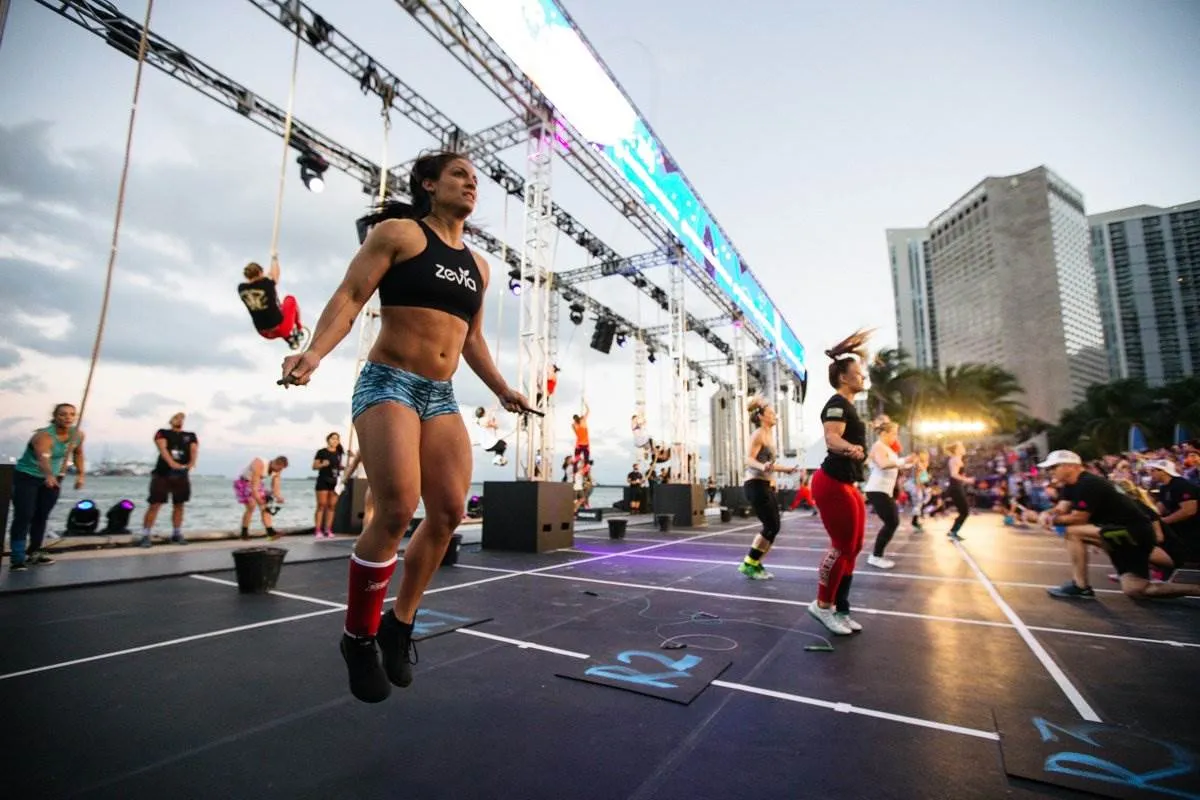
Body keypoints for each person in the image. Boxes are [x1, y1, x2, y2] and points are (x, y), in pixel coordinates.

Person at [278, 150, 532, 704]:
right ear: (428, 184)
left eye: (475, 179)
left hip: (440, 394)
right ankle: (358, 638)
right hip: (388, 381)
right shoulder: (399, 234)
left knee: (448, 513)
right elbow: (350, 297)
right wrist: (315, 352)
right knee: (396, 507)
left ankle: (401, 624)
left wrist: (502, 389)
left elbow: (471, 340)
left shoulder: (479, 266)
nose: (471, 185)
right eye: (460, 175)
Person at [1037, 450, 1200, 600]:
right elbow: (1061, 508)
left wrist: (1050, 520)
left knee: (1073, 532)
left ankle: (1080, 586)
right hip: (1121, 533)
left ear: (1071, 466)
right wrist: (1047, 513)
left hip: (1132, 531)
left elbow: (1079, 518)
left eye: (1053, 467)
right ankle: (1195, 589)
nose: (1050, 471)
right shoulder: (1070, 486)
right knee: (1136, 589)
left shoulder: (1090, 483)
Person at [809, 330, 871, 636]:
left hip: (849, 484)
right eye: (858, 374)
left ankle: (841, 608)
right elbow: (832, 437)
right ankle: (822, 606)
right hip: (831, 482)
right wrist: (851, 448)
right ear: (844, 378)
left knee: (854, 547)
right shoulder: (836, 403)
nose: (863, 377)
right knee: (842, 546)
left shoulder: (849, 404)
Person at [6, 403, 85, 571]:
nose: (67, 417)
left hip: (53, 479)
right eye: (63, 414)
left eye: (71, 414)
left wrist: (80, 474)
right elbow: (43, 458)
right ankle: (17, 558)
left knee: (41, 516)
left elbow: (78, 453)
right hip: (27, 477)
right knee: (24, 515)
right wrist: (49, 475)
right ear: (55, 416)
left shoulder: (77, 435)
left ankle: (34, 552)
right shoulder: (43, 436)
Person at [738, 397, 798, 580]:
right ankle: (749, 563)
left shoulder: (769, 436)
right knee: (771, 526)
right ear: (762, 417)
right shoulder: (758, 434)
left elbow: (768, 465)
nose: (775, 417)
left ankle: (755, 563)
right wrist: (762, 467)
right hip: (755, 485)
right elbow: (748, 459)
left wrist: (786, 469)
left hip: (765, 485)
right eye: (771, 414)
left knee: (773, 526)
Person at [138, 412, 198, 548]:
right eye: (176, 417)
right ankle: (146, 534)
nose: (179, 420)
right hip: (163, 473)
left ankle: (177, 533)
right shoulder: (162, 432)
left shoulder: (190, 435)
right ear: (171, 420)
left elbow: (194, 450)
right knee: (155, 503)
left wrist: (190, 464)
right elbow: (162, 448)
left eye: (182, 418)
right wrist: (171, 463)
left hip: (181, 474)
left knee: (179, 504)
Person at [864, 419, 908, 569]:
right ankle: (875, 556)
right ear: (883, 433)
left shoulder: (887, 448)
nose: (895, 437)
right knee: (892, 522)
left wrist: (908, 463)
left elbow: (892, 465)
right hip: (877, 489)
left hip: (884, 490)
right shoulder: (879, 446)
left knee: (892, 522)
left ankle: (876, 555)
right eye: (893, 433)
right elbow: (883, 464)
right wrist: (903, 461)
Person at [238, 258, 307, 349]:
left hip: (264, 333)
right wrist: (274, 258)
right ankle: (299, 329)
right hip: (282, 329)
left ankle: (290, 339)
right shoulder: (266, 284)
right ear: (260, 273)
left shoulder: (241, 289)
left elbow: (258, 282)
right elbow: (275, 275)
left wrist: (265, 276)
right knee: (290, 299)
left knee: (278, 309)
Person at [234, 455, 289, 540]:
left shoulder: (278, 470)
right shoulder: (259, 463)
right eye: (279, 468)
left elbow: (275, 485)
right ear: (275, 463)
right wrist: (259, 499)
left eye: (282, 469)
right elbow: (254, 487)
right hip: (243, 482)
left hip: (257, 483)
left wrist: (278, 497)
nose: (280, 471)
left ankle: (270, 533)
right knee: (251, 506)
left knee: (265, 507)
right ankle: (244, 533)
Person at [313, 432, 345, 539]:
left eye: (337, 439)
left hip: (335, 482)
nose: (334, 441)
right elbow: (314, 466)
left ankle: (328, 529)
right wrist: (322, 464)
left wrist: (343, 467)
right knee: (321, 505)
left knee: (331, 506)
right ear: (328, 440)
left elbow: (340, 465)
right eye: (332, 439)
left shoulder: (339, 453)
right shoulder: (322, 452)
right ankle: (318, 530)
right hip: (323, 480)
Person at [945, 442, 971, 541]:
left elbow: (959, 474)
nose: (963, 448)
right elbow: (953, 474)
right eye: (961, 447)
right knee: (965, 511)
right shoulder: (954, 459)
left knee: (964, 511)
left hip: (958, 487)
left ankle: (953, 531)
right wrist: (966, 480)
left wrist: (965, 479)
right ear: (956, 450)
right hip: (955, 487)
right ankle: (953, 531)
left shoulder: (958, 459)